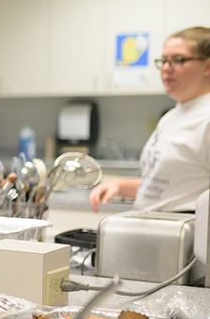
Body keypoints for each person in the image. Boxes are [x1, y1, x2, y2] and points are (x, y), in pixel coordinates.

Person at [89, 26, 210, 213]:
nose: (166, 69)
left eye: (178, 60)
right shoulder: (170, 118)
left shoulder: (206, 119)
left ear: (207, 66)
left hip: (188, 234)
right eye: (163, 61)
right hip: (157, 229)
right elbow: (166, 188)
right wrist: (120, 186)